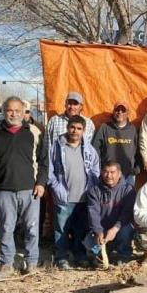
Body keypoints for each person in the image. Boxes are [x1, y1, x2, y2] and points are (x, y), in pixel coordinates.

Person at [0, 96, 48, 280]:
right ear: (4, 112)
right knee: (6, 228)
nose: (13, 114)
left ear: (23, 112)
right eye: (10, 110)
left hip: (30, 189)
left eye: (17, 110)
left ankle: (32, 263)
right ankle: (7, 264)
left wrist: (41, 183)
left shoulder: (34, 132)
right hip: (4, 189)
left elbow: (44, 161)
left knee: (32, 228)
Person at [48, 115, 100, 270]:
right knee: (61, 230)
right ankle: (61, 258)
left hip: (83, 198)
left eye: (79, 129)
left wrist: (91, 190)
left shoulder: (89, 149)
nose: (75, 131)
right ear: (67, 127)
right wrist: (57, 188)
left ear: (83, 131)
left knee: (81, 230)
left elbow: (96, 170)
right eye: (72, 127)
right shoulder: (57, 147)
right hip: (64, 198)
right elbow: (50, 171)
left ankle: (80, 256)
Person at [85, 161, 136, 266]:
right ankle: (102, 253)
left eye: (112, 172)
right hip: (102, 229)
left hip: (119, 227)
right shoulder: (94, 190)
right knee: (93, 254)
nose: (108, 176)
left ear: (119, 174)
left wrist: (115, 229)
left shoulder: (128, 190)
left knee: (126, 229)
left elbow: (127, 214)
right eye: (105, 172)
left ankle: (123, 256)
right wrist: (98, 231)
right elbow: (93, 213)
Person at [92, 102, 139, 186]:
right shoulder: (104, 128)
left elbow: (139, 150)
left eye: (123, 110)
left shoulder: (133, 129)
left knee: (127, 199)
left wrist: (137, 168)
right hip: (108, 175)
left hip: (128, 175)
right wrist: (99, 168)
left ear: (128, 113)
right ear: (113, 112)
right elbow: (95, 149)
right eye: (117, 110)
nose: (119, 112)